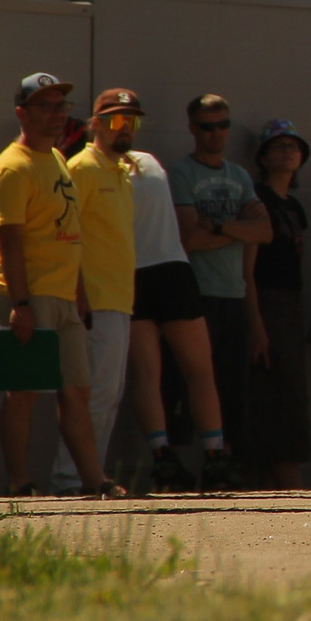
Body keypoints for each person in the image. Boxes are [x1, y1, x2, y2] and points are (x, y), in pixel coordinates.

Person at [0, 72, 113, 497]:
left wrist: (78, 291)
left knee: (76, 391)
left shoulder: (57, 159)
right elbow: (9, 240)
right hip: (29, 293)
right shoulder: (12, 167)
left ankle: (95, 481)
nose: (57, 115)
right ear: (21, 112)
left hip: (63, 296)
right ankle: (19, 482)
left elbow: (70, 231)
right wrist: (21, 303)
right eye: (46, 106)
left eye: (62, 106)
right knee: (23, 392)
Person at [123, 99, 231, 492]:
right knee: (154, 372)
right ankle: (170, 458)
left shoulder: (147, 162)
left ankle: (211, 457)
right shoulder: (85, 169)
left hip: (165, 267)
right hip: (140, 272)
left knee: (192, 369)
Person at [169, 94, 272, 481]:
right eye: (208, 126)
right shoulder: (181, 174)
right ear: (193, 128)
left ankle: (220, 467)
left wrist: (215, 226)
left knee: (230, 387)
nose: (217, 134)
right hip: (196, 295)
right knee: (184, 383)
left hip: (233, 295)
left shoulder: (240, 176)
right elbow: (188, 238)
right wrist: (233, 227)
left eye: (223, 125)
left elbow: (263, 231)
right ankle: (174, 469)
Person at [55, 87, 142, 495]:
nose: (123, 128)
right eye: (113, 120)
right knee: (90, 396)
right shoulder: (83, 168)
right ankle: (72, 479)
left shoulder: (120, 170)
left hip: (119, 299)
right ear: (94, 124)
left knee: (108, 396)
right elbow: (65, 234)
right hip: (93, 300)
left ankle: (90, 478)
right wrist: (78, 293)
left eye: (131, 121)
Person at [242, 120, 311, 488]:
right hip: (266, 306)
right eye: (278, 146)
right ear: (264, 156)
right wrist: (256, 324)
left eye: (294, 146)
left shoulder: (295, 207)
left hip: (292, 306)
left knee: (293, 391)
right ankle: (279, 478)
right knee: (272, 394)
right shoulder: (257, 202)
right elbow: (248, 270)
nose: (288, 152)